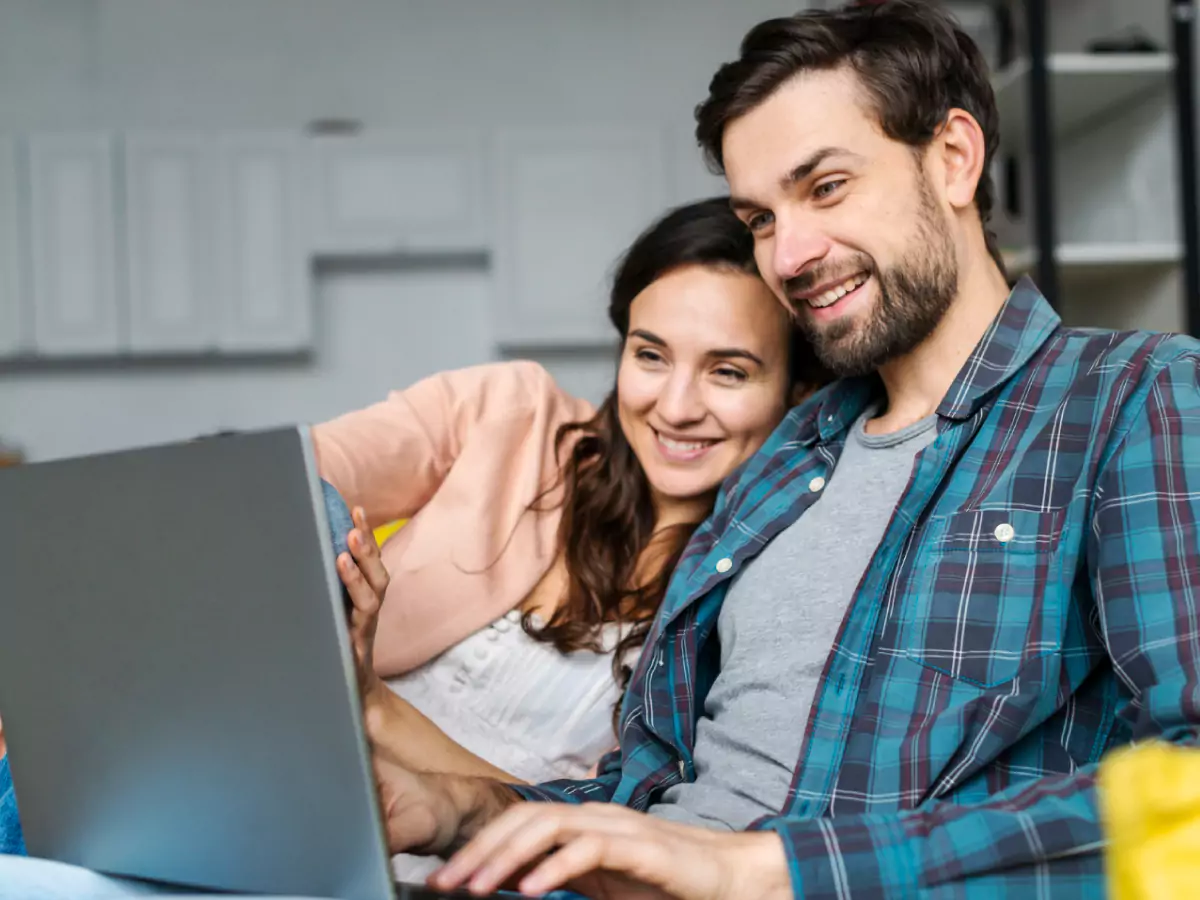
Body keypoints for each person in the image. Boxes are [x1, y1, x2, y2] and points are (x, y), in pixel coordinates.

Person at [358, 4, 1200, 899]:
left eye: (826, 187)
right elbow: (649, 802)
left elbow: (1189, 792)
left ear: (953, 158)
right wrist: (463, 811)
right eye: (759, 218)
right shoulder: (788, 456)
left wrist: (765, 871)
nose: (790, 254)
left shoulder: (1131, 396)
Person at [0, 197, 825, 895]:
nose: (675, 405)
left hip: (442, 860)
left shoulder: (762, 583)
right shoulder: (517, 414)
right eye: (650, 356)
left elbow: (606, 829)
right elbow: (277, 485)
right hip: (275, 784)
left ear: (796, 389)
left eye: (728, 371)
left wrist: (371, 705)